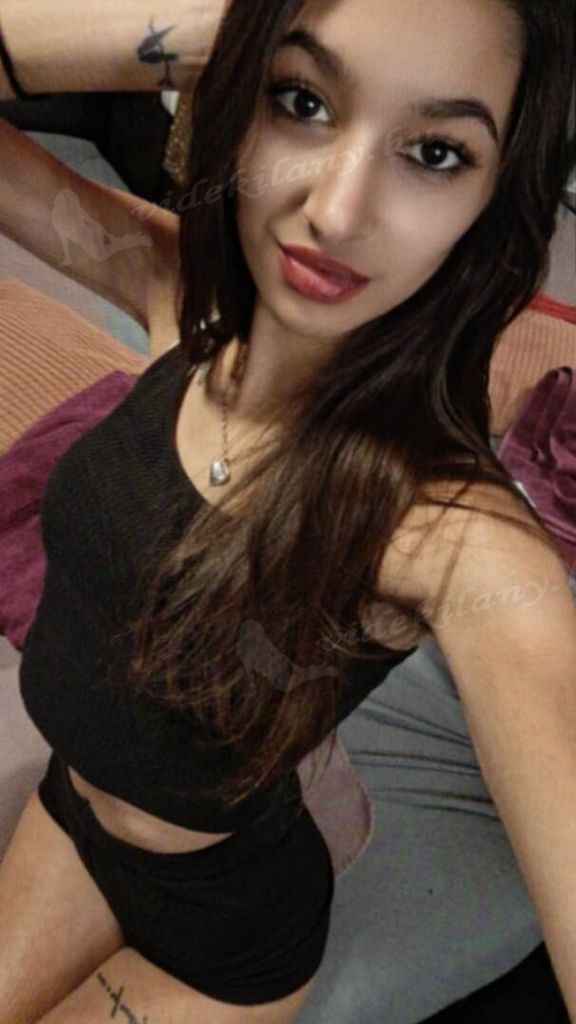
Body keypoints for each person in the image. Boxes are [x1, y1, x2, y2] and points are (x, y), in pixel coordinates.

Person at [0, 1, 575, 1023]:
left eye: (436, 153)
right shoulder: (187, 300)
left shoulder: (452, 535)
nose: (338, 212)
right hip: (67, 812)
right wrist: (233, 24)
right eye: (303, 102)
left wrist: (302, 67)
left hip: (220, 929)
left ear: (494, 201)